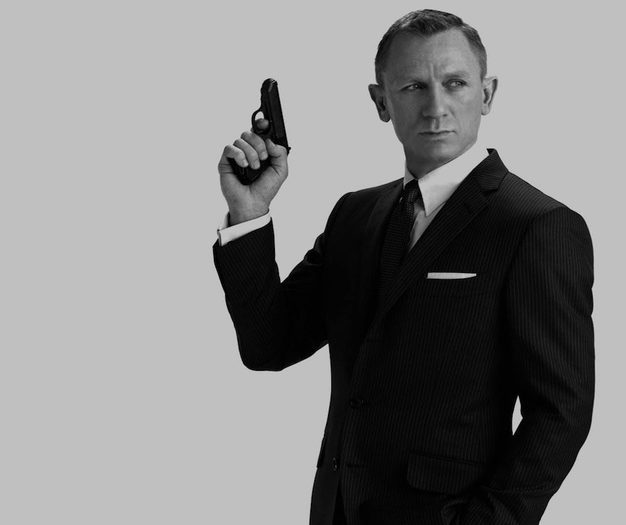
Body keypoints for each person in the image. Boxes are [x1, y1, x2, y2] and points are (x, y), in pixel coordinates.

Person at [212, 9, 594, 525]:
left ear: (487, 94)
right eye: (414, 86)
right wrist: (249, 213)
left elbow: (561, 413)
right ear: (381, 102)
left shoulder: (536, 226)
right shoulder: (354, 216)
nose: (436, 107)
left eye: (455, 83)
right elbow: (268, 345)